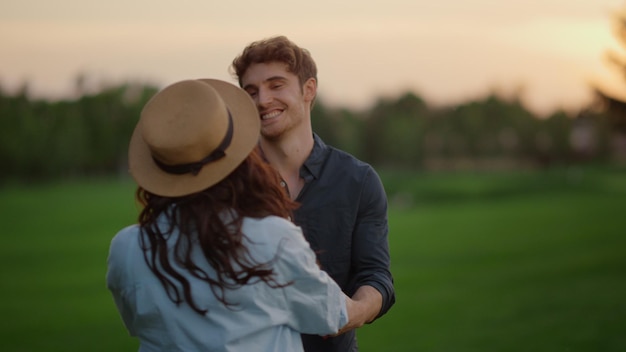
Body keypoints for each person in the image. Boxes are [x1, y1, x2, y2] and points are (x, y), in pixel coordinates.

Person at [106, 78, 354, 351]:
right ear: (242, 158)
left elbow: (137, 323)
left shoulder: (126, 248)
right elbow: (332, 315)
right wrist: (372, 299)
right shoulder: (273, 237)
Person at [230, 36, 395, 351]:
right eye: (251, 91)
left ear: (309, 89)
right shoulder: (228, 183)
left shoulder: (358, 181)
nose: (262, 100)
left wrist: (354, 311)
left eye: (276, 85)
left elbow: (376, 275)